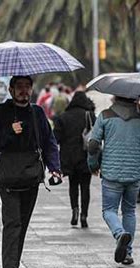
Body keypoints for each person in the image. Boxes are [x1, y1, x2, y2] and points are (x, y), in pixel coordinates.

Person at [0, 75, 61, 268]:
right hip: (7, 177)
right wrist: (10, 131)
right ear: (11, 90)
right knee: (12, 223)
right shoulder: (1, 112)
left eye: (27, 87)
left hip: (31, 176)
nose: (24, 91)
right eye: (19, 87)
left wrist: (55, 168)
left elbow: (49, 142)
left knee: (23, 224)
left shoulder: (37, 113)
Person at [88, 96, 140, 265]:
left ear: (114, 97)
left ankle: (119, 234)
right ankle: (127, 253)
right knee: (129, 211)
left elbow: (92, 145)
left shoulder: (105, 115)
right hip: (135, 172)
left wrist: (93, 165)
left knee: (109, 210)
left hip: (112, 172)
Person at [53, 90, 95, 227]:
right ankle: (84, 215)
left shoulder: (63, 117)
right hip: (85, 156)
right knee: (85, 187)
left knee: (73, 186)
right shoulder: (90, 116)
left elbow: (56, 138)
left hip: (69, 157)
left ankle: (75, 210)